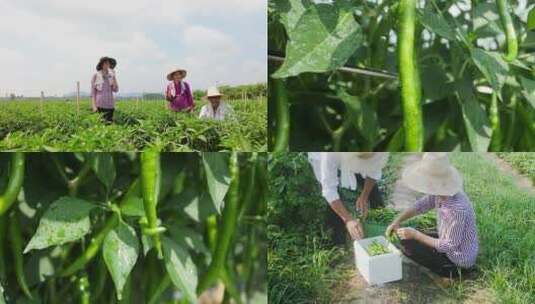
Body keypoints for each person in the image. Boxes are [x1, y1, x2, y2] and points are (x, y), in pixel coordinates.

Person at [386, 153, 478, 278]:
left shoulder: (457, 209)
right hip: (447, 242)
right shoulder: (441, 192)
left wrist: (416, 235)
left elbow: (448, 245)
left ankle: (451, 275)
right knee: (406, 238)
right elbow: (420, 206)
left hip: (457, 260)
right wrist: (397, 220)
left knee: (410, 246)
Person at [308, 152, 389, 244]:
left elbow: (374, 172)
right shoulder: (329, 154)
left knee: (375, 198)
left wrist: (364, 196)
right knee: (335, 205)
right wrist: (348, 219)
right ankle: (337, 241)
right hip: (327, 159)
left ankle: (379, 232)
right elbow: (329, 190)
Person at [91, 57, 119, 123]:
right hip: (100, 105)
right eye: (105, 63)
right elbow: (93, 93)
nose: (107, 65)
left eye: (108, 64)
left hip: (110, 105)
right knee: (100, 125)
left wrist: (114, 76)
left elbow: (116, 89)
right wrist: (94, 106)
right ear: (101, 65)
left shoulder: (111, 76)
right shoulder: (96, 75)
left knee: (109, 125)